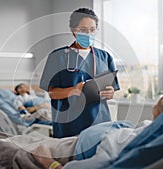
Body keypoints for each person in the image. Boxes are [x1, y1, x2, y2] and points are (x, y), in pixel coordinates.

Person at [32, 77, 163, 169]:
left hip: (70, 151)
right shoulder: (159, 135)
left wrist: (47, 161)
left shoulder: (127, 146)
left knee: (12, 146)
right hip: (76, 141)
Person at [40, 8, 120, 138]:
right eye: (83, 30)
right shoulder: (57, 57)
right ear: (73, 30)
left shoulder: (105, 57)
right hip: (69, 125)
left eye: (92, 30)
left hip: (99, 123)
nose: (88, 34)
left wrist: (110, 93)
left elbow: (111, 90)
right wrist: (73, 90)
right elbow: (52, 92)